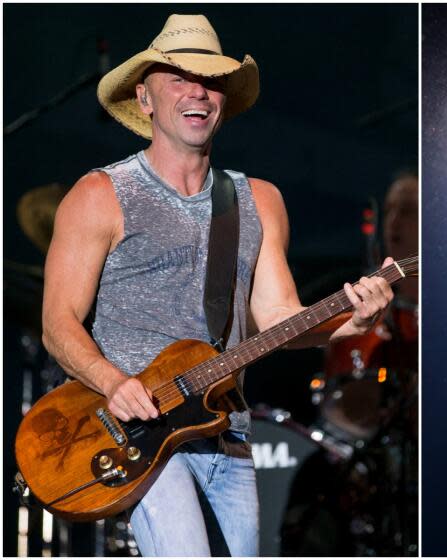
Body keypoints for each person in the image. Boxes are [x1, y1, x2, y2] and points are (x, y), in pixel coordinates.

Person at [40, 14, 393, 556]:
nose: (197, 93)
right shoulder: (99, 195)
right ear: (145, 98)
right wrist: (113, 382)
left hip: (227, 435)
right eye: (179, 78)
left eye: (210, 82)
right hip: (138, 436)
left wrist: (354, 321)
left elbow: (278, 321)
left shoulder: (259, 200)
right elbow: (57, 324)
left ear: (224, 101)